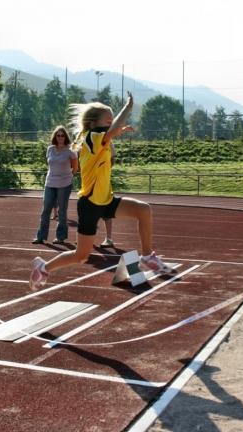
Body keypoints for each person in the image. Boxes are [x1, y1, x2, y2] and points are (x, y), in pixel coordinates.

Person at [29, 92, 174, 289]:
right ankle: (43, 267)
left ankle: (147, 256)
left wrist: (118, 131)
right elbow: (110, 132)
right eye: (108, 118)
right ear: (94, 122)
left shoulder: (102, 140)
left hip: (106, 201)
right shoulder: (92, 137)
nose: (111, 120)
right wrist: (128, 107)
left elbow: (111, 136)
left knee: (144, 209)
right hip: (89, 204)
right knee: (81, 256)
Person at [31, 126, 78, 245]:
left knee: (62, 210)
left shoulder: (70, 150)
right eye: (58, 135)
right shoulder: (50, 149)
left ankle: (60, 237)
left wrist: (68, 177)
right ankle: (40, 236)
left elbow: (75, 167)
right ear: (55, 137)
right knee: (46, 209)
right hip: (50, 182)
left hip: (64, 183)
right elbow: (50, 164)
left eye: (62, 135)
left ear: (65, 137)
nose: (60, 137)